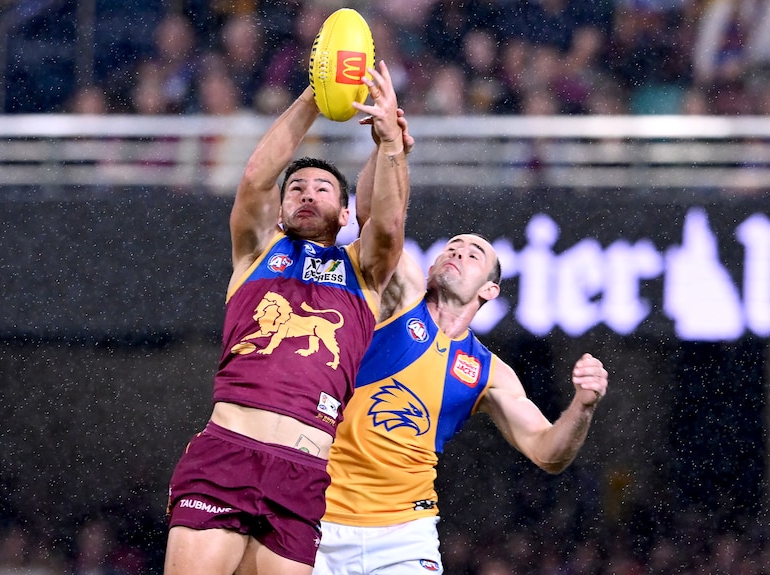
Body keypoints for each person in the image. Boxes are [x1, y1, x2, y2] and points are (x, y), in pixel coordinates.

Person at [313, 124, 609, 575]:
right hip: (319, 518)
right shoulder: (399, 299)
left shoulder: (491, 374)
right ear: (431, 265)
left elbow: (549, 452)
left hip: (404, 533)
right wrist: (388, 146)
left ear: (489, 289)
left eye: (473, 254)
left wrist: (583, 409)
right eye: (451, 247)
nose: (457, 252)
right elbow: (376, 220)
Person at [164, 59, 410, 575]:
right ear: (280, 210)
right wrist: (313, 99)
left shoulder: (364, 273)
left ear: (345, 215)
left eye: (323, 189)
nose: (306, 193)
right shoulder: (256, 252)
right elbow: (255, 180)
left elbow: (386, 227)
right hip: (228, 451)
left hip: (303, 470)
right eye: (296, 188)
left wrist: (389, 144)